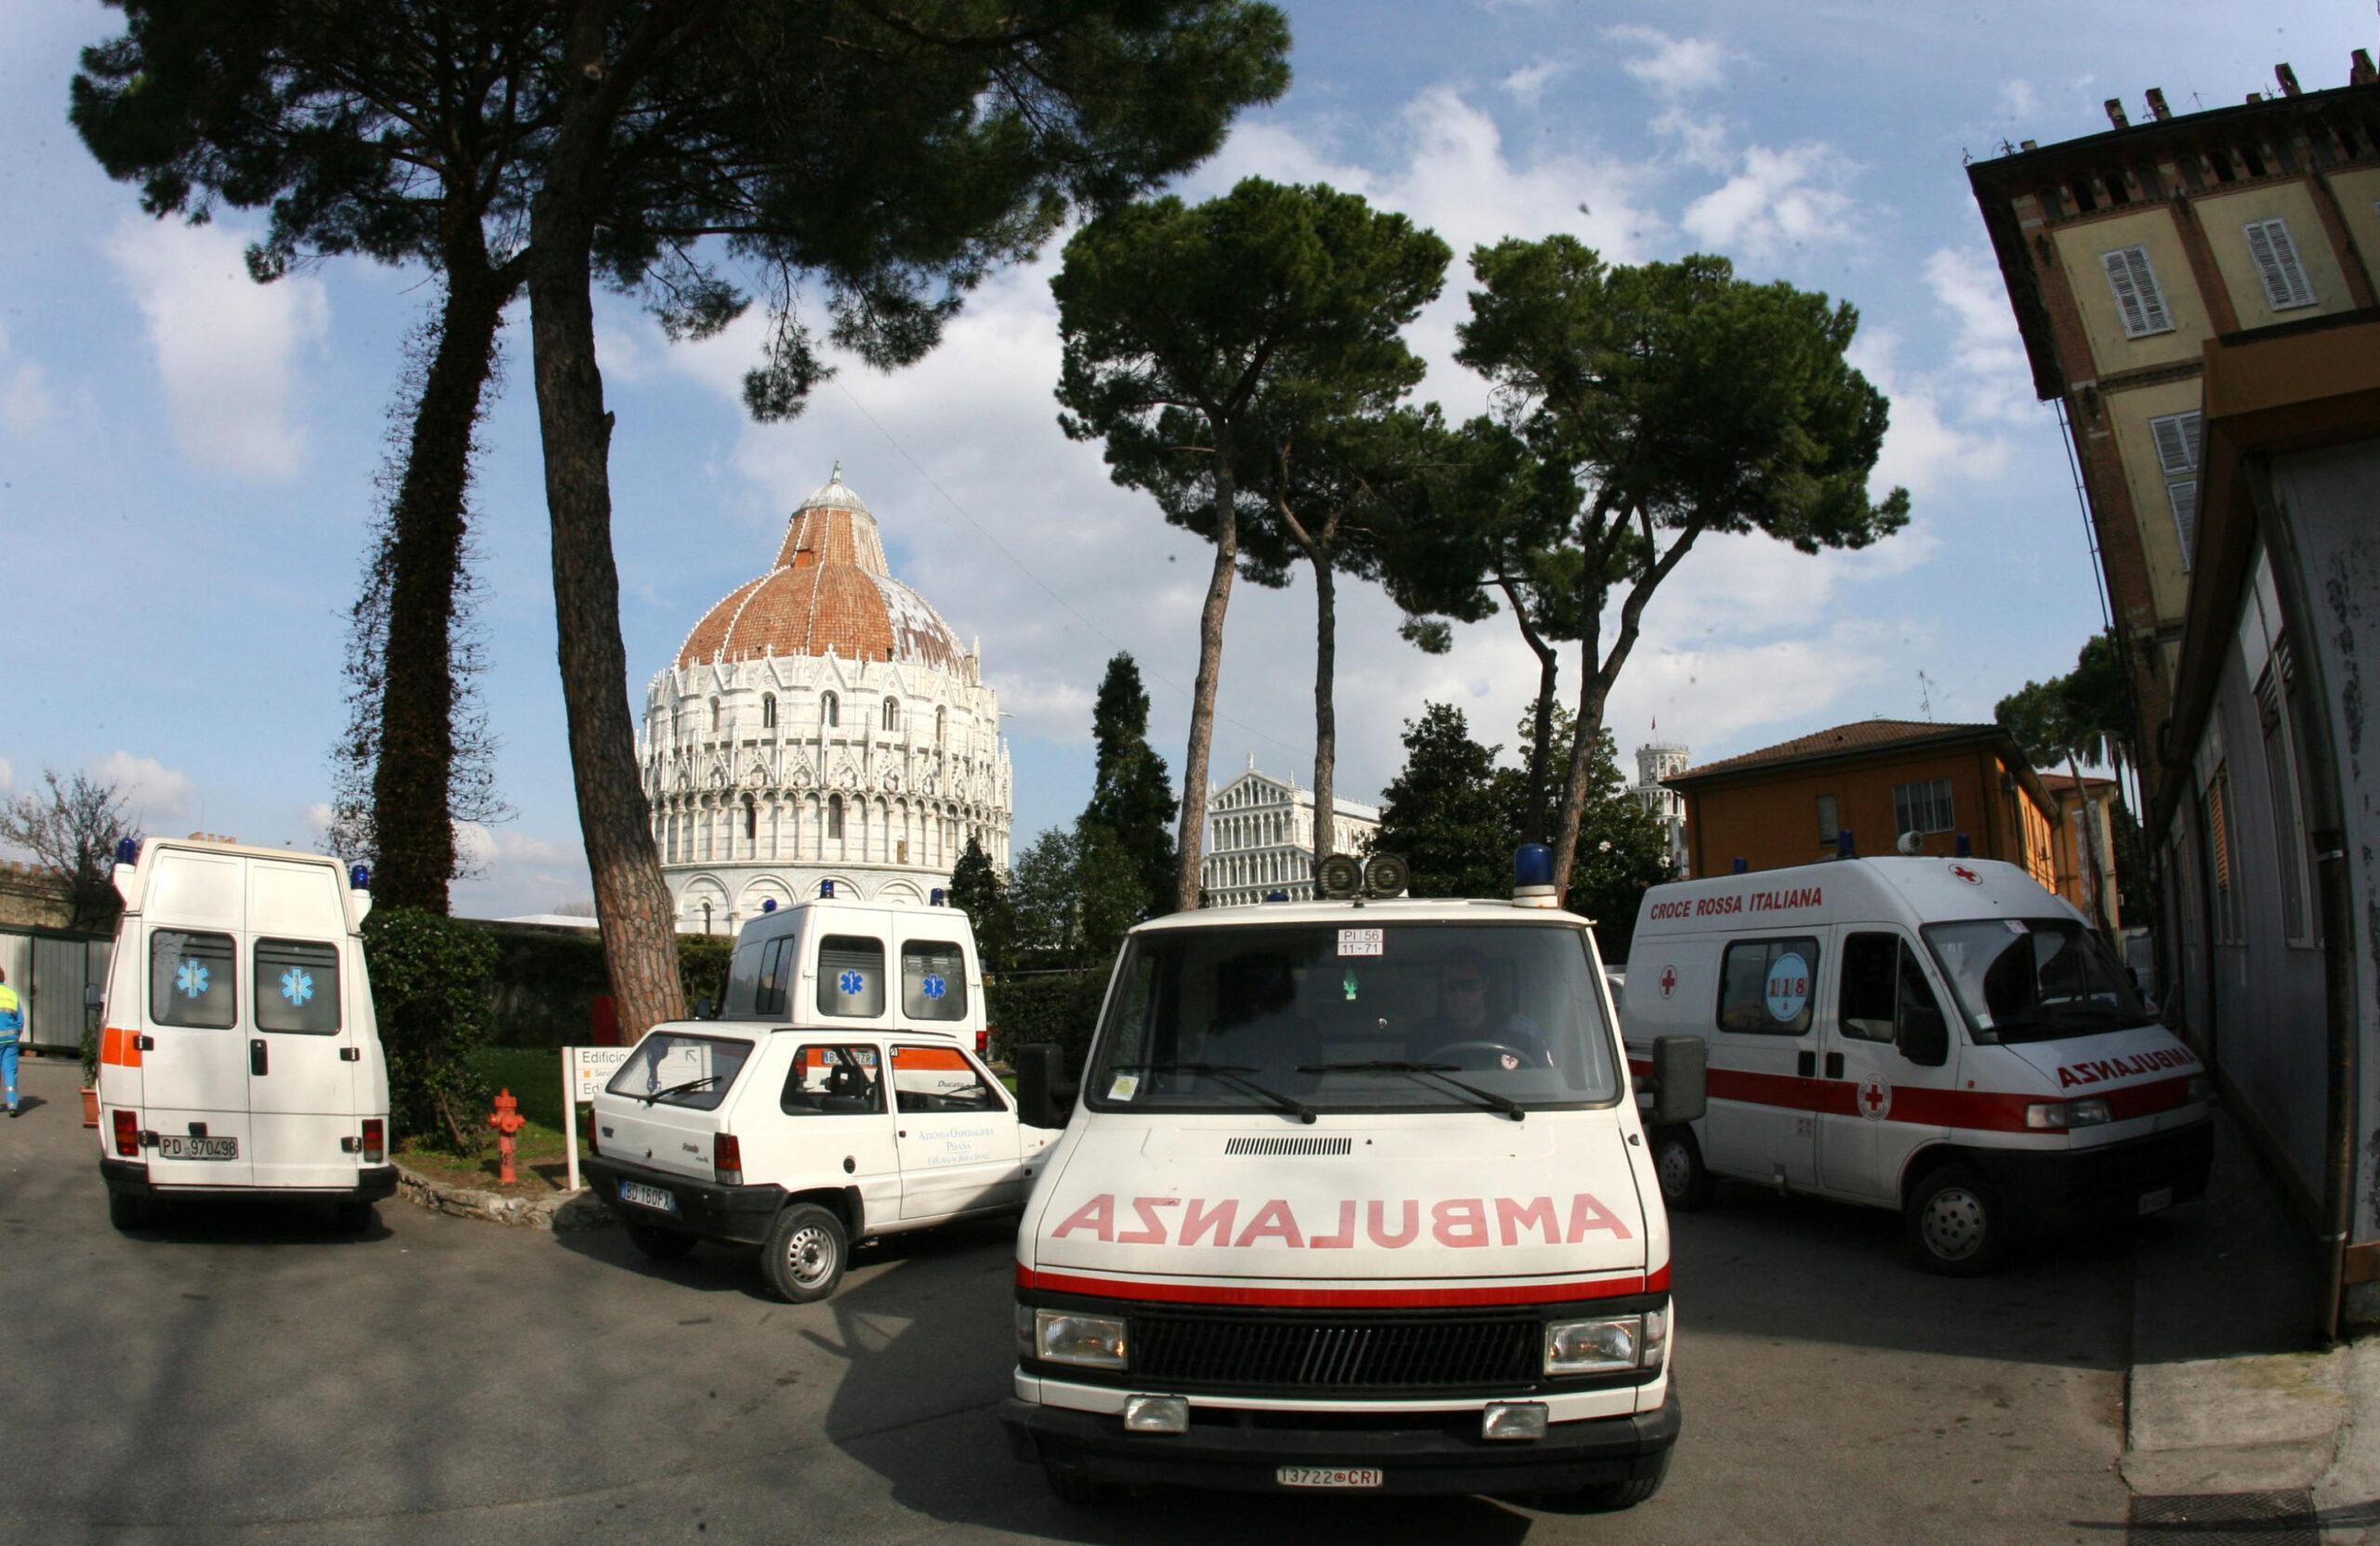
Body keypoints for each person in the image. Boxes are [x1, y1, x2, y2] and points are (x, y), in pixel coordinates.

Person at [1409, 951, 1548, 1069]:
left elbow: (1544, 1085)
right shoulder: (1425, 1036)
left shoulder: (1522, 1034)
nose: (1459, 995)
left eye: (1468, 986)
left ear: (1485, 986)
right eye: (1451, 986)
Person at [0, 965, 21, 1116]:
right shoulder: (11, 994)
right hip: (11, 1039)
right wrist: (16, 1035)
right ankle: (12, 1104)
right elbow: (20, 1020)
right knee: (9, 1072)